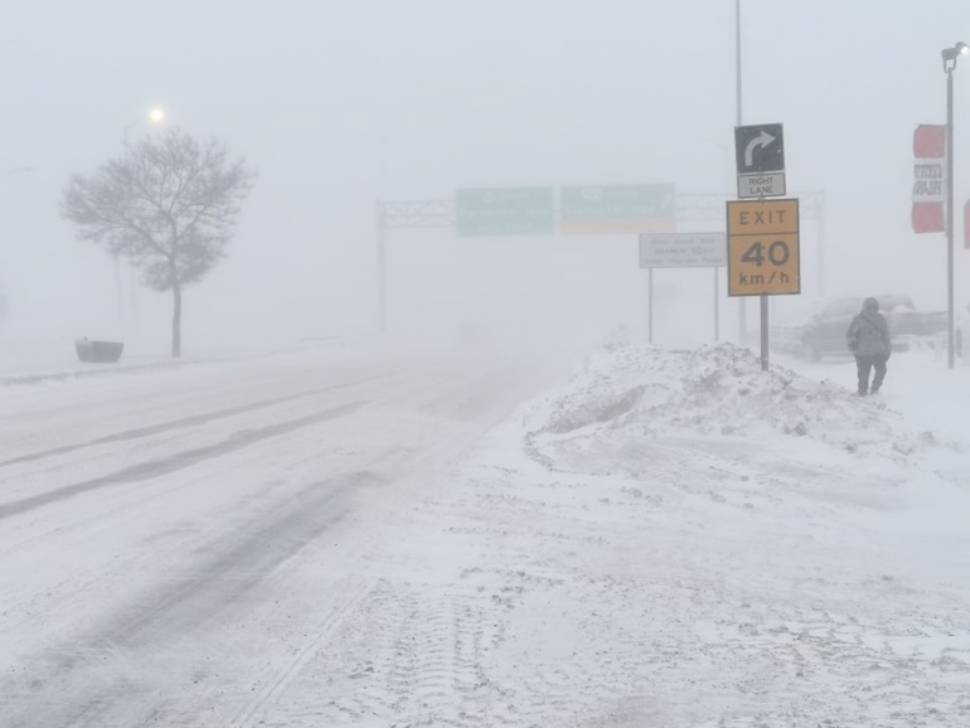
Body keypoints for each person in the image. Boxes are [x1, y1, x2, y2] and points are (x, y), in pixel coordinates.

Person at [846, 297, 892, 396]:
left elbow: (886, 335)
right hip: (863, 354)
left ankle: (874, 390)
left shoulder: (880, 319)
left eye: (874, 308)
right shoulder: (858, 319)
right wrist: (852, 343)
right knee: (863, 377)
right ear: (865, 307)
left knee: (881, 371)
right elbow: (850, 334)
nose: (872, 310)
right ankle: (863, 393)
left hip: (877, 352)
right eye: (869, 308)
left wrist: (887, 350)